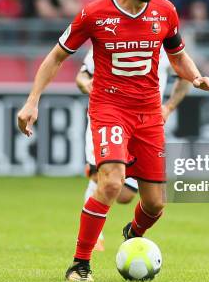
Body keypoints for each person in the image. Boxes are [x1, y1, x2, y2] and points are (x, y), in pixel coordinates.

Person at [17, 0, 209, 282]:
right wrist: (32, 101)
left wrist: (195, 75)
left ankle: (132, 234)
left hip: (149, 115)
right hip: (110, 109)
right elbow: (56, 57)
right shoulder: (95, 13)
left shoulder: (165, 12)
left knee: (155, 204)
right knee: (111, 182)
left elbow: (178, 55)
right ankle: (80, 265)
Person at [75, 45, 190, 251]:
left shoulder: (161, 43)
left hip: (144, 123)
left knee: (126, 195)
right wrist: (88, 85)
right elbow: (82, 76)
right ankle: (92, 242)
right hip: (108, 119)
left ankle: (131, 232)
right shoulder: (108, 34)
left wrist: (169, 107)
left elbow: (185, 75)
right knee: (106, 180)